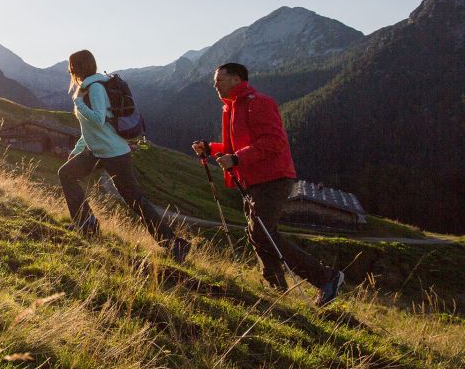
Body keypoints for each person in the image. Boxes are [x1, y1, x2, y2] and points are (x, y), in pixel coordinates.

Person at [192, 62, 344, 306]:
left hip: (272, 178)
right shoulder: (230, 108)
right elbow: (234, 149)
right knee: (258, 234)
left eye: (219, 80)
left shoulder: (257, 102)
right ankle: (277, 287)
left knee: (262, 233)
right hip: (253, 179)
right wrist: (211, 149)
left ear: (236, 79)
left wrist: (238, 159)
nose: (215, 85)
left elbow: (274, 142)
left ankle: (326, 277)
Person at [58, 49, 190, 262]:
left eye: (71, 66)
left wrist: (79, 104)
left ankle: (175, 245)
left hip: (114, 153)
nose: (70, 69)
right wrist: (77, 148)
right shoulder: (85, 88)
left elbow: (99, 119)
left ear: (77, 67)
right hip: (98, 151)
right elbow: (89, 128)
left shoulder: (95, 89)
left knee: (134, 200)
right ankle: (86, 224)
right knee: (66, 174)